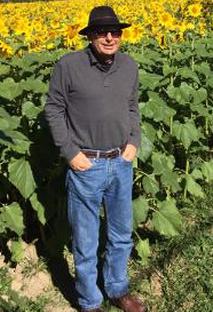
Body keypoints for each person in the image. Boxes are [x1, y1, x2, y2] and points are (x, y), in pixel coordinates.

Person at [45, 5, 146, 312]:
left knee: (120, 234)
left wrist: (134, 142)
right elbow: (53, 109)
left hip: (120, 162)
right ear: (89, 35)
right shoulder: (68, 65)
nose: (109, 37)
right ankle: (90, 301)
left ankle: (117, 289)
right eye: (102, 32)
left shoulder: (129, 66)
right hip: (85, 164)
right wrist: (70, 153)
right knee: (86, 241)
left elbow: (132, 106)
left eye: (115, 31)